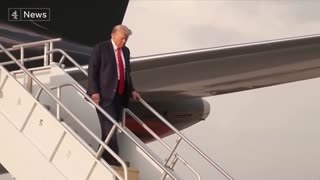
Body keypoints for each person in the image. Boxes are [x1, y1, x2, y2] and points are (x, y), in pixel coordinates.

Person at [87, 24, 141, 166]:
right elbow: (92, 71)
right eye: (122, 39)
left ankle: (100, 156)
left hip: (120, 95)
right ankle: (114, 159)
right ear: (113, 35)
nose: (124, 42)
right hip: (104, 95)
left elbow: (126, 73)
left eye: (126, 40)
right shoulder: (101, 48)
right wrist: (94, 92)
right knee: (110, 125)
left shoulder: (126, 51)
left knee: (109, 128)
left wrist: (132, 90)